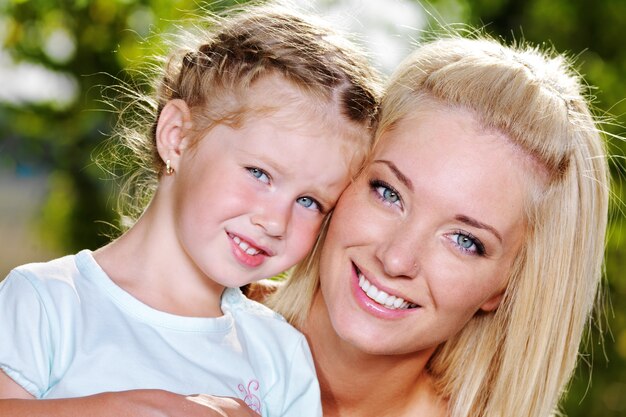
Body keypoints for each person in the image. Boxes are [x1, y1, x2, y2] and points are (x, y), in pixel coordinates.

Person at [0, 3, 381, 417]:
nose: (275, 221)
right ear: (178, 137)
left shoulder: (280, 357)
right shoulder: (46, 302)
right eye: (260, 173)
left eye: (309, 202)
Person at [267, 35, 610, 416]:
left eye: (464, 240)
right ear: (348, 176)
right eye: (389, 193)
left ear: (506, 286)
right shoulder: (194, 323)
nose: (396, 260)